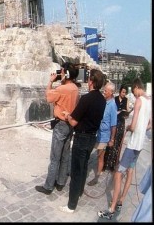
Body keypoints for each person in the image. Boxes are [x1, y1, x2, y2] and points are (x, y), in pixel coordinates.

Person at [98, 78, 152, 220]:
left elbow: (133, 126)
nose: (133, 94)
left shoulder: (140, 100)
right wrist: (141, 129)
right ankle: (121, 200)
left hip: (133, 144)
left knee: (118, 173)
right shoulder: (149, 101)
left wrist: (130, 128)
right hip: (139, 146)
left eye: (133, 91)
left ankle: (111, 208)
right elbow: (150, 124)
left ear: (136, 87)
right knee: (130, 170)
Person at [59, 68, 106, 214]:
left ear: (91, 81)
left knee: (76, 171)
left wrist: (67, 115)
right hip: (92, 137)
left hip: (82, 138)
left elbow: (73, 122)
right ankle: (79, 192)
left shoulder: (86, 99)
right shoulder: (102, 100)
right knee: (84, 166)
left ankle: (71, 205)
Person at [35, 62, 80, 195]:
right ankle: (60, 183)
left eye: (62, 72)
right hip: (70, 124)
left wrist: (50, 82)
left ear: (66, 74)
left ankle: (48, 186)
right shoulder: (75, 88)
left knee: (55, 157)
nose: (60, 74)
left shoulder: (62, 89)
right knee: (65, 155)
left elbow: (48, 97)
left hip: (61, 124)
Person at [87, 81, 117, 186]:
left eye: (106, 91)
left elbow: (113, 124)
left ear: (112, 92)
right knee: (89, 152)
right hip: (96, 132)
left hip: (104, 135)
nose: (104, 92)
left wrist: (112, 139)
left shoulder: (112, 105)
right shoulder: (103, 101)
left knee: (100, 156)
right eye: (104, 90)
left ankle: (97, 176)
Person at [103, 84, 131, 172]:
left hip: (121, 123)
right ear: (119, 91)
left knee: (117, 144)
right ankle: (105, 163)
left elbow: (127, 111)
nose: (124, 94)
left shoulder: (126, 100)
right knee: (110, 142)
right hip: (114, 122)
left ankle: (113, 164)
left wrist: (125, 113)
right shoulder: (114, 99)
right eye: (123, 92)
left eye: (125, 93)